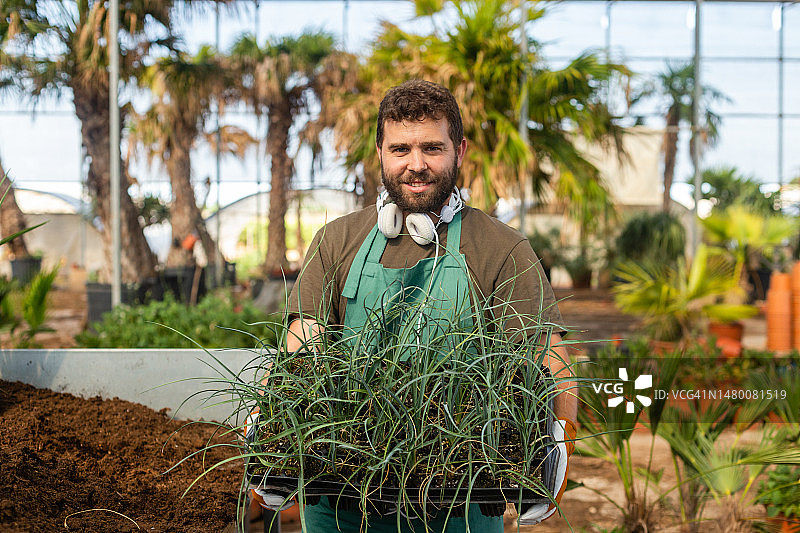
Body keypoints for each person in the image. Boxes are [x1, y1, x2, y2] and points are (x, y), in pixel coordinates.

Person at [260, 79, 577, 532]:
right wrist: (276, 426)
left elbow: (545, 351)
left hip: (462, 499)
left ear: (459, 151)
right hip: (342, 500)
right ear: (381, 153)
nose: (416, 165)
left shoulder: (500, 247)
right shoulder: (337, 239)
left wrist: (558, 438)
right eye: (400, 149)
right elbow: (303, 341)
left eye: (432, 148)